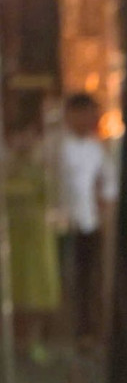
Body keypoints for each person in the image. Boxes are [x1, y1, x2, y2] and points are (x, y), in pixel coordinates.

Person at [55, 93, 117, 348]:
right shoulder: (56, 146)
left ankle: (87, 331)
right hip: (58, 225)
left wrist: (103, 211)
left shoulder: (96, 148)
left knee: (87, 278)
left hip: (88, 224)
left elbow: (110, 184)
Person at [4, 119, 62, 357]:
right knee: (14, 291)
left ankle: (36, 340)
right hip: (12, 236)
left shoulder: (42, 167)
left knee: (40, 290)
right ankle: (16, 341)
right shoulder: (6, 167)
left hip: (37, 235)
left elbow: (51, 198)